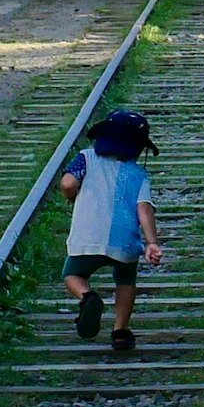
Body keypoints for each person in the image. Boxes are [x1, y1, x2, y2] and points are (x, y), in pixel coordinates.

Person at [60, 109, 164, 351]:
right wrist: (151, 243)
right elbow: (144, 207)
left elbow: (68, 183)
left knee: (72, 274)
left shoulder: (86, 158)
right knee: (126, 279)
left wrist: (70, 195)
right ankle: (120, 331)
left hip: (88, 234)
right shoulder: (138, 173)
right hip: (123, 238)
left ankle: (88, 297)